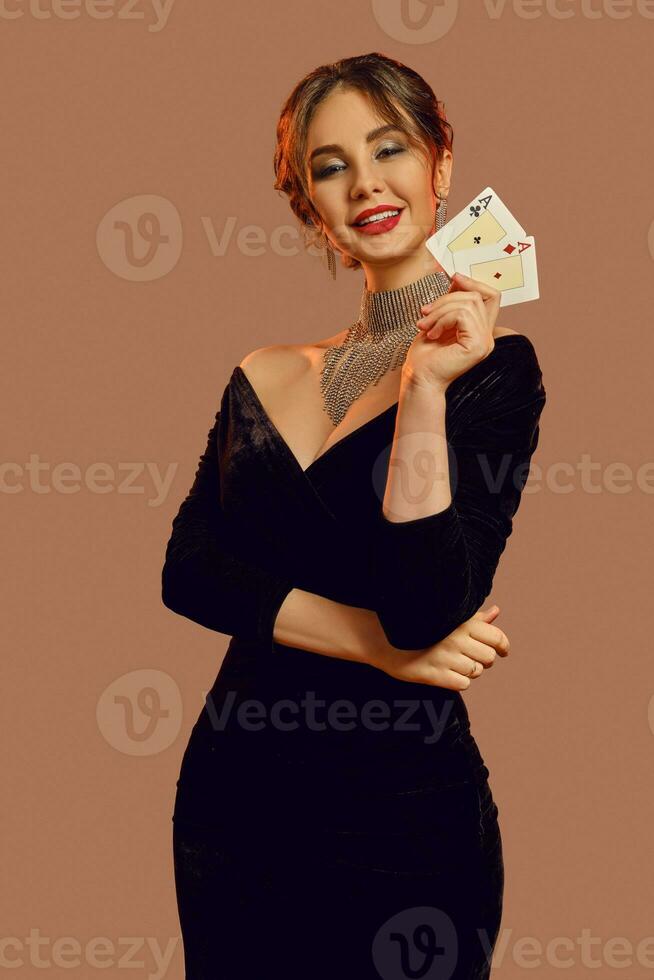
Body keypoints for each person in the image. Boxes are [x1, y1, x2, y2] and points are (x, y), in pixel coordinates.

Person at [162, 52, 547, 980]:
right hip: (235, 802)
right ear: (308, 204)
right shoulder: (263, 372)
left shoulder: (498, 376)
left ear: (440, 163)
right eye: (330, 166)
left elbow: (427, 605)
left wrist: (422, 391)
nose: (366, 183)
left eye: (390, 148)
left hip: (402, 814)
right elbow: (189, 571)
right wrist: (377, 648)